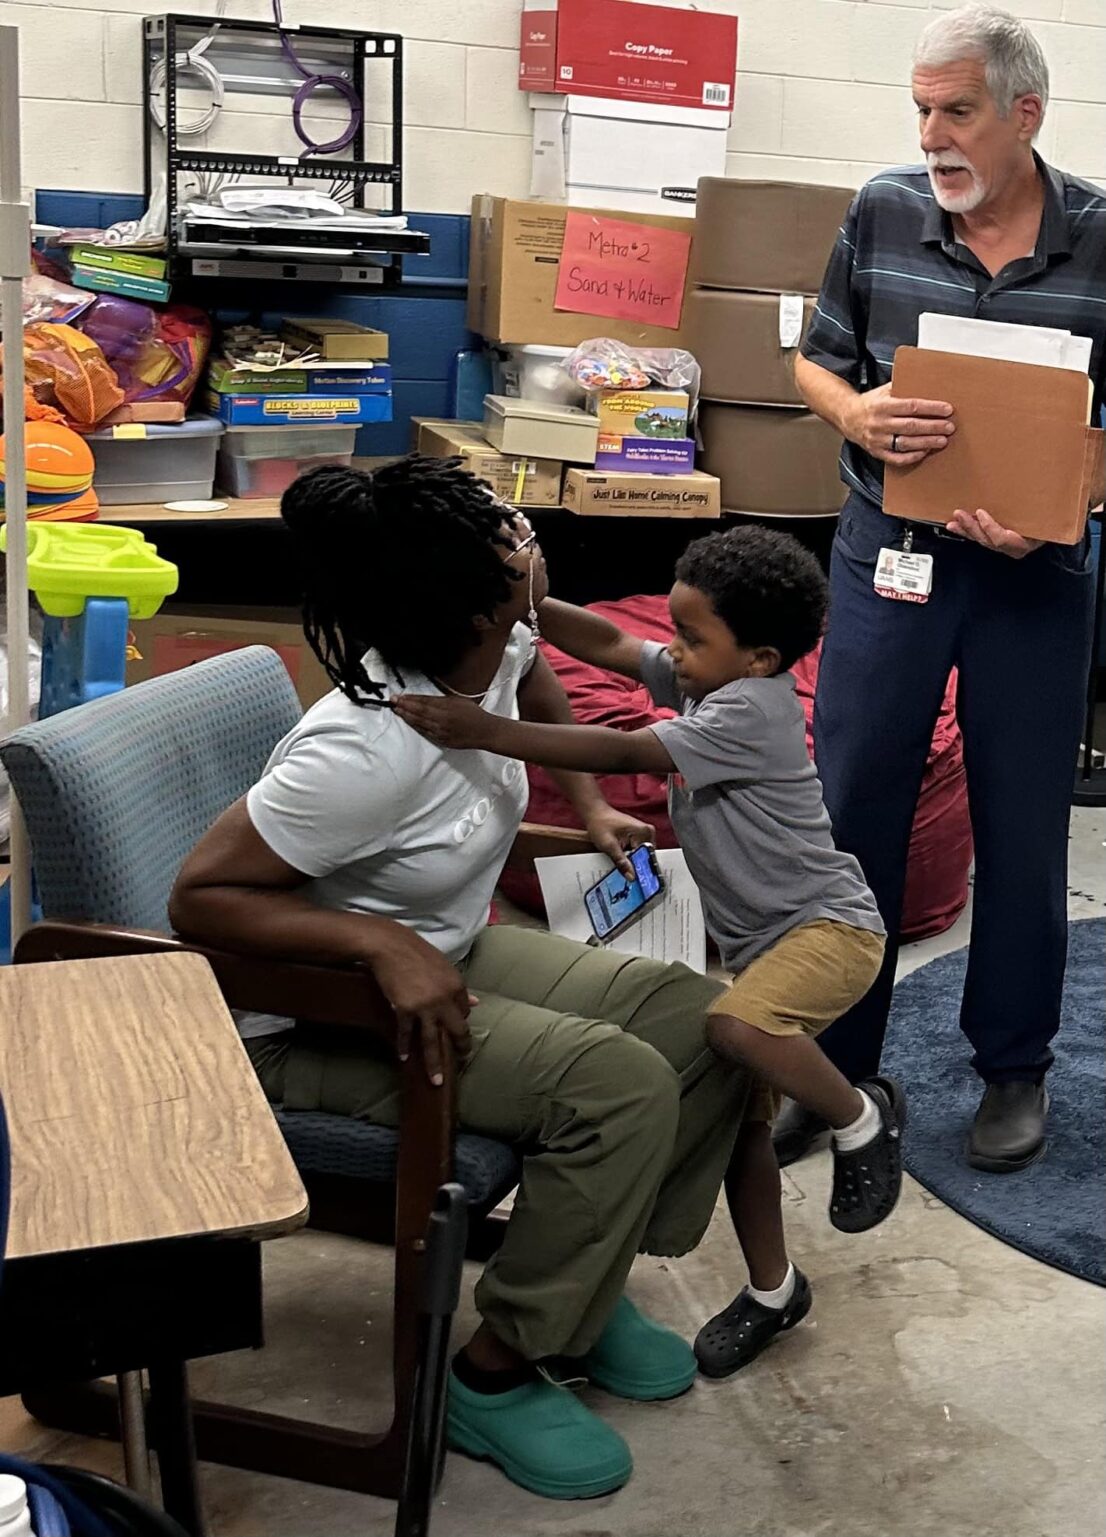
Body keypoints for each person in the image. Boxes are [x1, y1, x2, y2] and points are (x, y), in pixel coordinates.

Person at [169, 457, 751, 1503]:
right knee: (612, 1084)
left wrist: (585, 800)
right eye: (512, 533)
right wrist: (374, 945)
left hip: (454, 946)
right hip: (302, 1025)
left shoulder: (497, 640)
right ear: (477, 591)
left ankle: (586, 1269)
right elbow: (200, 899)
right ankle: (495, 1369)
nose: (529, 537)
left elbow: (538, 684)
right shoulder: (359, 747)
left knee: (706, 1018)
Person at [396, 525, 902, 1381]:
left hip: (829, 930)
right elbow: (615, 644)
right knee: (742, 1129)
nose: (675, 651)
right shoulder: (716, 680)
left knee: (732, 1030)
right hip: (764, 945)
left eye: (694, 639)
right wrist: (530, 603)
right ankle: (776, 1292)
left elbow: (627, 748)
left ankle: (862, 1117)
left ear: (762, 657)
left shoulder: (751, 708)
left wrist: (480, 729)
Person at [784, 2, 1106, 1175]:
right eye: (920, 110)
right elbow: (814, 360)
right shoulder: (878, 211)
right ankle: (833, 1060)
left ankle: (1011, 1068)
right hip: (890, 562)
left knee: (1022, 826)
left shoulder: (1100, 238)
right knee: (851, 803)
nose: (931, 136)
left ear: (1024, 113)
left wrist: (1059, 498)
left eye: (955, 110)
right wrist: (857, 413)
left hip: (1035, 578)